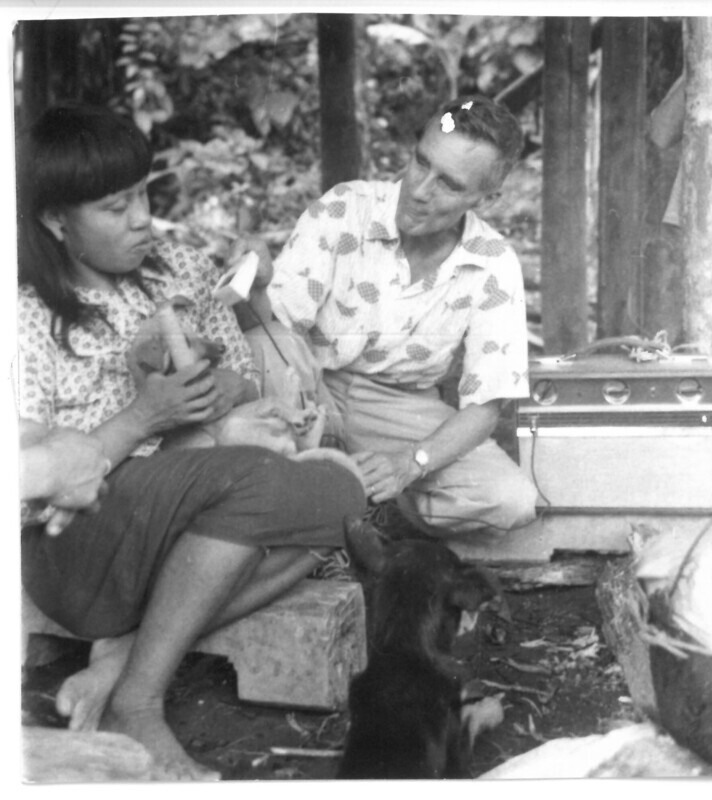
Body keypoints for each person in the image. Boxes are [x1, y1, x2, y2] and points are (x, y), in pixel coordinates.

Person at [16, 105, 365, 780]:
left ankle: (120, 662)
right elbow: (30, 492)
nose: (142, 218)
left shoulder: (179, 264)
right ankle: (140, 701)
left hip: (193, 505)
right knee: (272, 485)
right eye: (115, 208)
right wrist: (147, 417)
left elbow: (241, 382)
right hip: (77, 551)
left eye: (144, 194)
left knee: (339, 504)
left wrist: (215, 389)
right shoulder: (24, 313)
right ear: (58, 221)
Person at [267, 95, 538, 536]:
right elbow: (277, 332)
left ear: (485, 199)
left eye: (448, 184)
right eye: (420, 162)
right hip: (312, 383)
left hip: (401, 408)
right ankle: (336, 503)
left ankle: (365, 509)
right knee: (271, 353)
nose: (419, 189)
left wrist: (412, 463)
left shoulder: (493, 262)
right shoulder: (345, 208)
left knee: (510, 501)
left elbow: (487, 403)